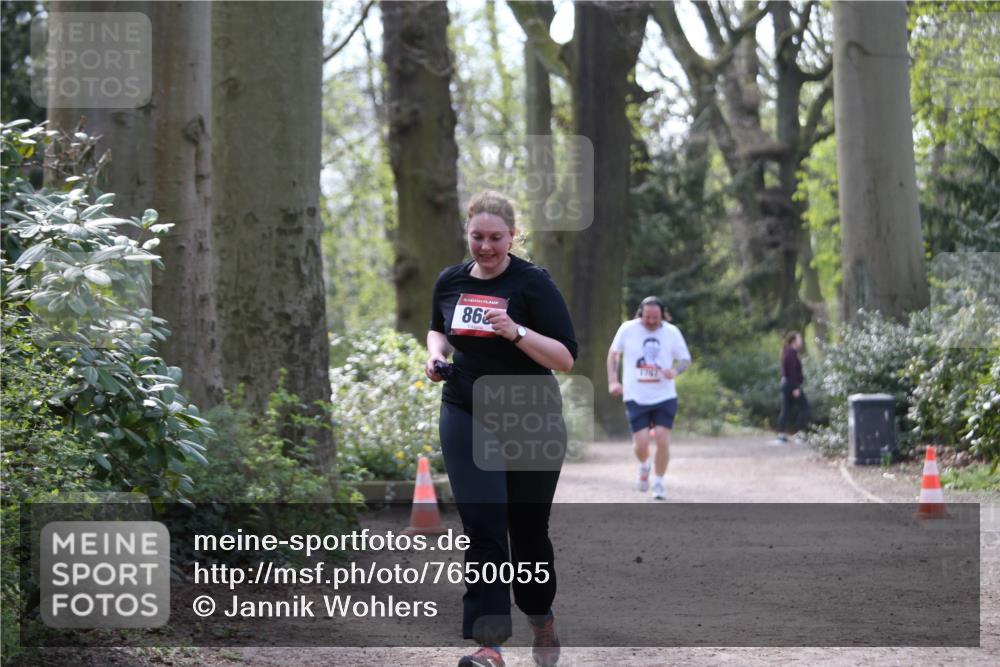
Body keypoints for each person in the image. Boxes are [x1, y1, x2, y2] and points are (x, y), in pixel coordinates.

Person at [425, 190, 577, 667]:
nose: (486, 247)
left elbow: (566, 358)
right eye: (477, 237)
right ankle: (488, 645)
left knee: (528, 533)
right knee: (483, 528)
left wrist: (516, 331)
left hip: (529, 415)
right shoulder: (450, 280)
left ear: (513, 237)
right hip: (466, 409)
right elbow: (438, 330)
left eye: (495, 238)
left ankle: (540, 615)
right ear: (466, 233)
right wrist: (435, 357)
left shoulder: (533, 283)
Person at [607, 296, 691, 500]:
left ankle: (659, 482)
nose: (652, 321)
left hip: (664, 396)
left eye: (656, 317)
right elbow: (614, 354)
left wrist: (675, 371)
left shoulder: (672, 332)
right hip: (635, 396)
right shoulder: (628, 329)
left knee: (662, 438)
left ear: (663, 315)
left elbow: (685, 359)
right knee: (641, 443)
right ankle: (645, 465)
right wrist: (613, 381)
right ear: (640, 314)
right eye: (647, 317)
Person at [776, 331, 809, 443]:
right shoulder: (790, 354)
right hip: (791, 385)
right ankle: (800, 433)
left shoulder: (790, 352)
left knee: (786, 409)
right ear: (794, 341)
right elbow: (791, 372)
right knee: (804, 407)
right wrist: (796, 387)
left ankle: (781, 434)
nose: (801, 341)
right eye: (799, 338)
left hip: (787, 384)